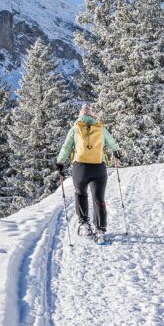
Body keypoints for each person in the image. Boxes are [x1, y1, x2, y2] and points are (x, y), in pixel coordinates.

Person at [55, 103, 122, 241]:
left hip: (80, 168)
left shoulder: (75, 128)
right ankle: (100, 232)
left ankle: (84, 225)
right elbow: (114, 145)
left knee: (81, 194)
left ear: (80, 117)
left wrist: (60, 162)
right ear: (92, 116)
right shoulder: (100, 128)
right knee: (99, 199)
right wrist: (116, 151)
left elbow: (66, 146)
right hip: (98, 168)